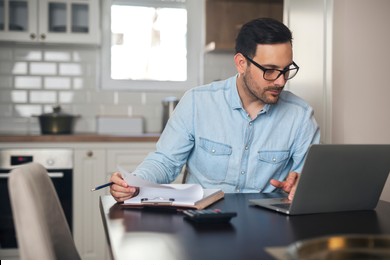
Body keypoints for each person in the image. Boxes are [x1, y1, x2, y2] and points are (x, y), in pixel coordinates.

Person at [110, 17, 320, 203]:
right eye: (270, 70)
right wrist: (133, 184)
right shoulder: (197, 103)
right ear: (241, 63)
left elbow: (307, 179)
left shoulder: (300, 117)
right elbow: (165, 161)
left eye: (286, 70)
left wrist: (303, 186)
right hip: (201, 222)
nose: (281, 81)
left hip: (268, 226)